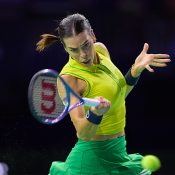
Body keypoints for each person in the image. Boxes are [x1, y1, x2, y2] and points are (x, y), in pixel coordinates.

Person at [36, 13, 171, 175]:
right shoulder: (69, 79)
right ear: (65, 48)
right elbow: (83, 132)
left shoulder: (101, 50)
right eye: (73, 50)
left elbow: (117, 96)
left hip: (118, 150)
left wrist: (135, 71)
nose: (83, 55)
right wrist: (95, 114)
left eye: (85, 45)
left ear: (92, 35)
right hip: (91, 160)